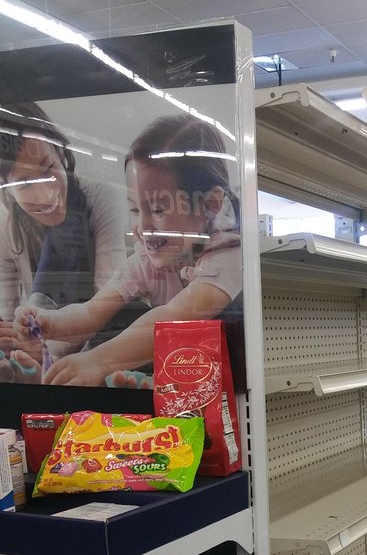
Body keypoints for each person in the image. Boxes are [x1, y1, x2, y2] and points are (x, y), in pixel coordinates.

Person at [12, 113, 241, 387]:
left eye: (158, 209)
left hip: (225, 379)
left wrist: (98, 361)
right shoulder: (147, 257)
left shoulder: (228, 255)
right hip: (182, 368)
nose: (142, 227)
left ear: (210, 205)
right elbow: (93, 311)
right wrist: (50, 322)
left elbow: (173, 317)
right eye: (134, 209)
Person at [0, 101, 125, 378]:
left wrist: (42, 348)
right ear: (7, 189)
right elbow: (7, 321)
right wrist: (16, 341)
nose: (47, 196)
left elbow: (109, 302)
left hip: (98, 355)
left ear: (61, 153)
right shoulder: (7, 228)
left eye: (48, 168)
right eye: (25, 184)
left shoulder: (100, 198)